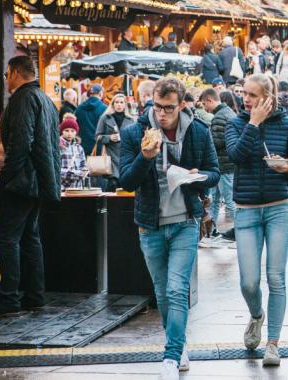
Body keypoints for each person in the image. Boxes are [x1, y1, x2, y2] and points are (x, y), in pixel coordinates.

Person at [117, 77, 220, 378]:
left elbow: (215, 172)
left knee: (177, 290)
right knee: (162, 293)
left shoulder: (198, 132)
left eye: (169, 108)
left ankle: (171, 357)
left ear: (182, 105)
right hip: (150, 225)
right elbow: (125, 181)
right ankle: (179, 343)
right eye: (157, 107)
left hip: (185, 221)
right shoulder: (135, 133)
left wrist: (196, 176)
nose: (162, 114)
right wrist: (145, 158)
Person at [225, 74, 288, 367]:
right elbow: (235, 155)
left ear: (268, 97)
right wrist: (253, 123)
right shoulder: (237, 123)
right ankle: (256, 315)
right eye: (244, 93)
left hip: (279, 207)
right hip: (246, 209)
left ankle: (273, 343)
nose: (246, 99)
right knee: (249, 282)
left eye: (253, 95)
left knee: (276, 277)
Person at [0, 57, 59, 319]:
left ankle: (9, 299)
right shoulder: (45, 99)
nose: (6, 79)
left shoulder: (22, 99)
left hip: (21, 183)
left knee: (6, 237)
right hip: (39, 183)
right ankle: (35, 296)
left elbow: (22, 143)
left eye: (6, 74)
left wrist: (6, 177)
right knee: (29, 238)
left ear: (14, 72)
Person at [200, 88, 237, 241]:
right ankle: (211, 231)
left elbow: (217, 142)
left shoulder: (219, 117)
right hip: (224, 165)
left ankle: (239, 231)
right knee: (215, 200)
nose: (205, 107)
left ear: (210, 100)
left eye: (204, 104)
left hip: (223, 166)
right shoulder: (229, 113)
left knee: (227, 201)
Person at [94, 93, 136, 192]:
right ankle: (109, 207)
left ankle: (123, 207)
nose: (119, 105)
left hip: (126, 157)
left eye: (121, 102)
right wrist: (109, 138)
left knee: (124, 187)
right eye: (116, 102)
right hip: (111, 157)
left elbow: (134, 138)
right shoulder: (105, 118)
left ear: (125, 105)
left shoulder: (131, 120)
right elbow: (97, 136)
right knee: (112, 185)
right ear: (113, 104)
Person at [75, 83, 107, 154]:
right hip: (99, 147)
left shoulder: (79, 108)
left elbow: (75, 127)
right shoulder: (105, 109)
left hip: (82, 147)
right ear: (101, 94)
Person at [58, 117, 87, 189]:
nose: (69, 133)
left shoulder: (79, 148)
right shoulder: (57, 146)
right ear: (62, 131)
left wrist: (85, 172)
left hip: (77, 187)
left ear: (76, 132)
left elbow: (83, 165)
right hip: (62, 187)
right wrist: (77, 174)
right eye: (66, 130)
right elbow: (57, 169)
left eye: (72, 131)